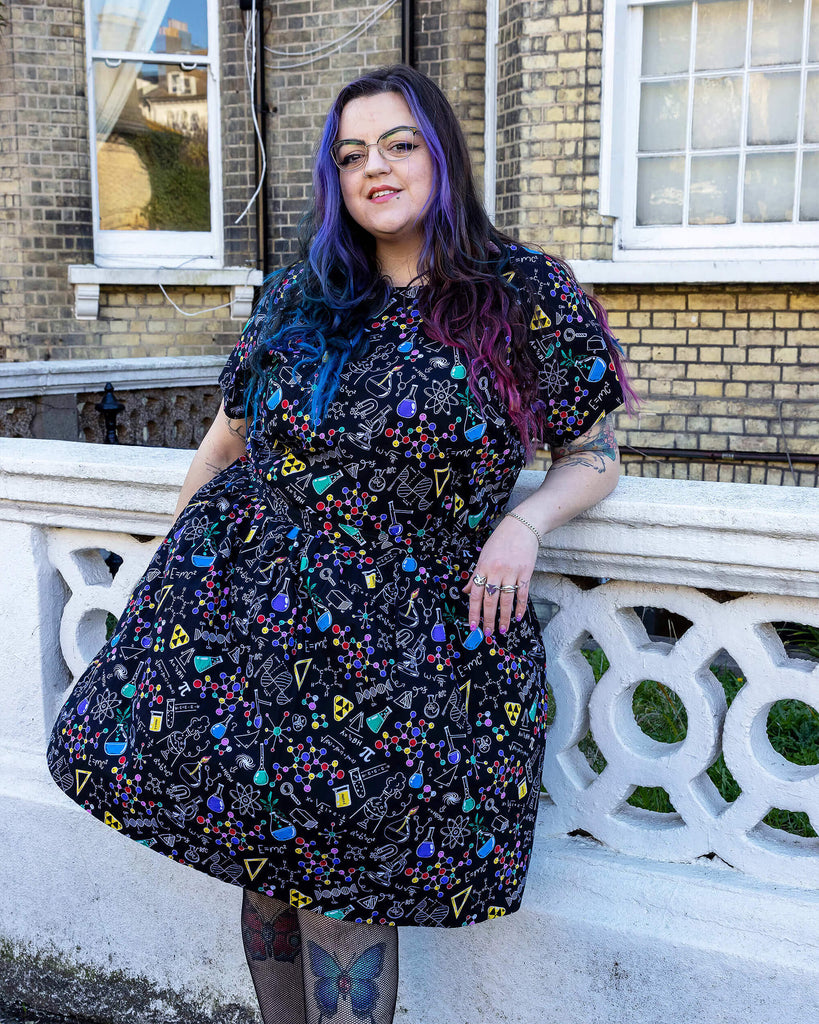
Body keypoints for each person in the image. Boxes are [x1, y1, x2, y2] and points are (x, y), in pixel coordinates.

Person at [47, 65, 633, 1024]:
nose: (377, 168)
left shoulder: (520, 291)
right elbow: (223, 444)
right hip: (247, 621)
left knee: (342, 884)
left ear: (441, 155)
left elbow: (595, 453)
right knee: (262, 861)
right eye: (352, 154)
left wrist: (524, 521)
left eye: (400, 144)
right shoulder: (300, 293)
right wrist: (160, 594)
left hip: (400, 645)